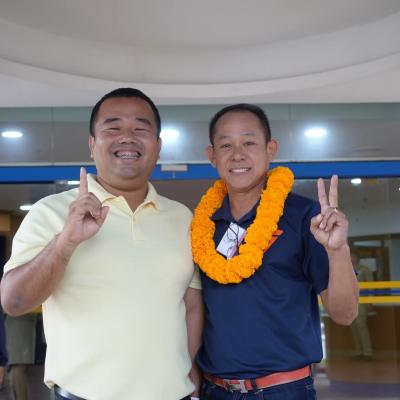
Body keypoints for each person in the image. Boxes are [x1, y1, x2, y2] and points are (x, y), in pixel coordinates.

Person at [1, 88, 203, 400]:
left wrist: (186, 373)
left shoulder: (182, 218)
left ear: (158, 146)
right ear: (92, 144)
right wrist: (66, 241)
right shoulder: (51, 212)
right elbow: (14, 302)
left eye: (140, 128)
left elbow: (191, 306)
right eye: (113, 127)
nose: (127, 137)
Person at [191, 104, 359, 399]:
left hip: (284, 390)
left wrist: (338, 250)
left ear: (271, 149)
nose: (238, 154)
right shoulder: (202, 225)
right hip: (215, 390)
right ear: (212, 156)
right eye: (226, 145)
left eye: (249, 142)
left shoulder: (306, 217)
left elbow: (345, 314)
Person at [350, 251, 373, 361]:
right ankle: (359, 352)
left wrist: (370, 302)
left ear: (357, 258)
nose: (351, 258)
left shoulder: (365, 269)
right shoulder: (347, 269)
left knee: (361, 326)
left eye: (352, 256)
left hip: (362, 301)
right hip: (350, 302)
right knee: (354, 327)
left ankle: (368, 352)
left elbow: (371, 286)